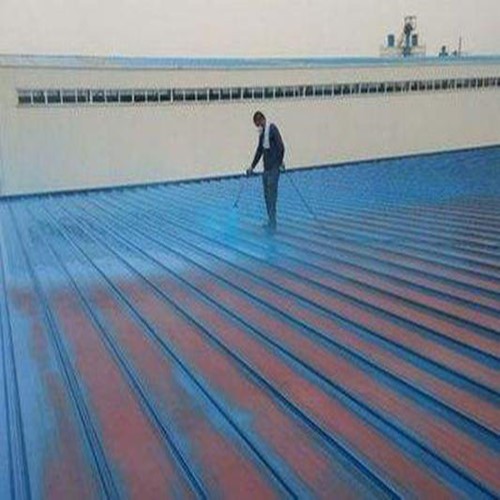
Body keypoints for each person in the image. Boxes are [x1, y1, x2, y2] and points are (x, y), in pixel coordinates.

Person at [246, 111, 285, 231]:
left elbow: (281, 147)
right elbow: (259, 151)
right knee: (267, 197)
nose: (258, 127)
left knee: (272, 196)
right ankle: (271, 221)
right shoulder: (262, 134)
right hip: (266, 170)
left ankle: (273, 224)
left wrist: (279, 162)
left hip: (274, 169)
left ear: (262, 119)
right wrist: (252, 166)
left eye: (258, 124)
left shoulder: (272, 129)